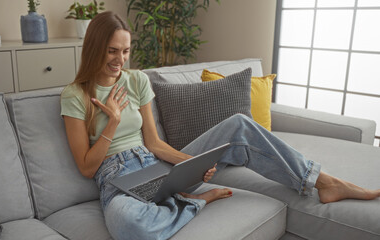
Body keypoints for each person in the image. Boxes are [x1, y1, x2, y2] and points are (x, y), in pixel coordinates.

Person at [60, 11, 380, 240]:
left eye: (126, 51)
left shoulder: (137, 80)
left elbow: (155, 144)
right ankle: (195, 200)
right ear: (94, 48)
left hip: (154, 164)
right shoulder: (75, 95)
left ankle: (323, 181)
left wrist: (192, 164)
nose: (120, 60)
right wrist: (112, 123)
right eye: (112, 51)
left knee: (239, 125)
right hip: (117, 179)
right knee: (132, 227)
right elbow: (88, 168)